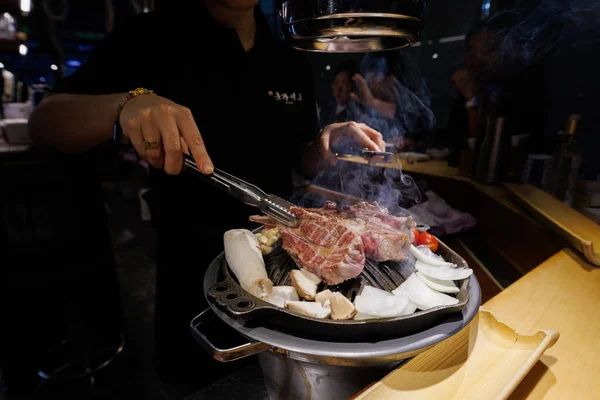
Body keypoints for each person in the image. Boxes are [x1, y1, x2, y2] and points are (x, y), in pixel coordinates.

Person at [28, 0, 385, 388]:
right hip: (191, 275)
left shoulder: (288, 57)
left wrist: (320, 146)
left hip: (289, 275)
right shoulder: (149, 35)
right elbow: (45, 124)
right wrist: (125, 104)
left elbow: (296, 167)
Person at [448, 12, 549, 157]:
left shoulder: (523, 93)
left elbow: (486, 152)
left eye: (488, 50)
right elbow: (454, 143)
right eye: (473, 52)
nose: (478, 60)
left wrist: (471, 100)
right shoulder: (469, 89)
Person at [318, 60, 360, 128]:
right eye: (336, 83)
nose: (339, 89)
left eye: (345, 84)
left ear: (353, 86)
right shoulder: (326, 108)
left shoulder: (358, 113)